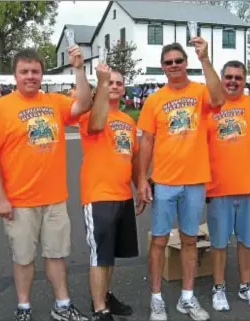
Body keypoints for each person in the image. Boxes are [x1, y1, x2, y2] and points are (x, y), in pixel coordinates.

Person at [0, 47, 92, 321]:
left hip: (54, 198)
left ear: (42, 74)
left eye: (35, 71)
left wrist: (79, 69)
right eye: (24, 71)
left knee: (56, 255)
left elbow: (84, 104)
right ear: (15, 75)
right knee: (23, 258)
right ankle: (24, 308)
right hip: (19, 201)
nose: (30, 76)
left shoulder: (54, 101)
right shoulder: (1, 108)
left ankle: (62, 305)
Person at [137, 38, 225, 321]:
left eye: (178, 61)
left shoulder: (199, 91)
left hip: (195, 180)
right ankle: (156, 298)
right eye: (168, 62)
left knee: (189, 240)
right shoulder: (155, 99)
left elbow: (219, 98)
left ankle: (187, 297)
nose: (174, 66)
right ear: (162, 67)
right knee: (160, 241)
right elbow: (147, 142)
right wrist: (141, 179)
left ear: (186, 63)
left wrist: (206, 59)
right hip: (164, 181)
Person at [205, 46, 250, 311]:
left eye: (238, 77)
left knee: (248, 243)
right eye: (229, 77)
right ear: (222, 79)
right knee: (219, 243)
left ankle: (246, 286)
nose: (233, 81)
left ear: (244, 81)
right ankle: (219, 287)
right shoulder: (211, 107)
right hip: (219, 189)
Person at [79, 65, 144, 321]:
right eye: (110, 82)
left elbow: (134, 157)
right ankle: (99, 310)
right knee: (100, 254)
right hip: (98, 196)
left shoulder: (128, 121)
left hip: (123, 195)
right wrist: (102, 84)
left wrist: (140, 186)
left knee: (111, 253)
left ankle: (106, 295)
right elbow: (96, 125)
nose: (114, 85)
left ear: (124, 88)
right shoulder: (91, 115)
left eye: (118, 83)